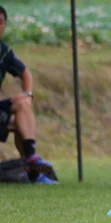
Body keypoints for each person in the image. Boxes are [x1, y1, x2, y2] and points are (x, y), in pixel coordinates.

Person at [0, 6, 56, 184]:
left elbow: (25, 74)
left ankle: (31, 161)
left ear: (4, 26)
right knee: (18, 120)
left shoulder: (4, 52)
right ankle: (33, 170)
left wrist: (28, 95)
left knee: (23, 104)